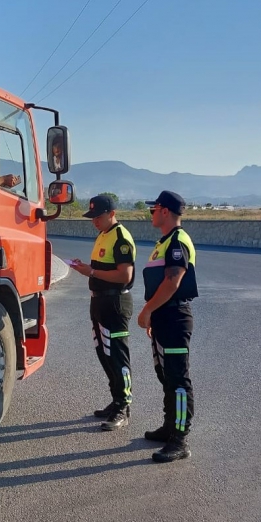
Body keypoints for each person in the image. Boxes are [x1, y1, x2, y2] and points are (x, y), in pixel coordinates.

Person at [138, 190, 198, 463]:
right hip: (164, 317)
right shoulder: (164, 241)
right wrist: (153, 314)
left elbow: (173, 282)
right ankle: (169, 427)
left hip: (174, 317)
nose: (150, 213)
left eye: (153, 209)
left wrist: (148, 309)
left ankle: (180, 439)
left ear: (164, 211)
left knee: (178, 381)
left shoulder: (177, 241)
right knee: (166, 377)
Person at [70, 194, 136, 431]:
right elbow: (98, 268)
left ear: (111, 214)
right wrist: (85, 269)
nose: (94, 221)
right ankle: (116, 399)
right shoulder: (103, 235)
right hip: (98, 303)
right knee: (104, 355)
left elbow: (125, 275)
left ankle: (123, 407)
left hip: (115, 304)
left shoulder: (121, 237)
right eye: (92, 217)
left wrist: (92, 273)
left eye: (98, 216)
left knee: (118, 357)